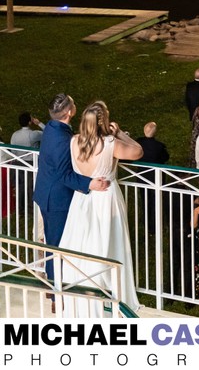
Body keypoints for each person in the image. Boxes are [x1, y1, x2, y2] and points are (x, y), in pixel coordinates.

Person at [59, 100, 143, 315]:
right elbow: (137, 152)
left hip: (82, 198)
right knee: (111, 245)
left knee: (83, 246)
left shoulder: (74, 141)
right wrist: (121, 134)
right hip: (106, 200)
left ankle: (82, 299)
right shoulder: (109, 144)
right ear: (103, 122)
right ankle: (113, 298)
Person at [33, 94, 109, 283]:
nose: (75, 104)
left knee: (55, 244)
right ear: (69, 112)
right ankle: (56, 293)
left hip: (47, 193)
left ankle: (57, 287)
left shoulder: (52, 127)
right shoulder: (60, 138)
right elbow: (64, 174)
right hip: (57, 200)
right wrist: (89, 183)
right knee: (58, 247)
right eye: (73, 103)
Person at [135, 121, 169, 234]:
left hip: (142, 177)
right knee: (156, 202)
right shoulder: (159, 147)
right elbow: (165, 157)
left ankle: (147, 225)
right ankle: (155, 226)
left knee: (145, 200)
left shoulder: (139, 143)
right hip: (156, 178)